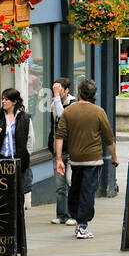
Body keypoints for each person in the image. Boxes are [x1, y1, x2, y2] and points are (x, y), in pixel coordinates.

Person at [55, 78, 119, 239]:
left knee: (75, 191)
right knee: (87, 192)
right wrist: (114, 157)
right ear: (93, 94)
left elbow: (59, 136)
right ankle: (82, 225)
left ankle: (78, 221)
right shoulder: (99, 112)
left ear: (79, 92)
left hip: (75, 160)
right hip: (93, 160)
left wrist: (58, 159)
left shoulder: (69, 111)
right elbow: (109, 138)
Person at [0, 88, 31, 256]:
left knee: (17, 196)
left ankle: (15, 229)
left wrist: (25, 156)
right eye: (2, 99)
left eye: (6, 99)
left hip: (16, 162)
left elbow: (30, 140)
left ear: (14, 102)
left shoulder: (24, 118)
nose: (3, 102)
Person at [48, 77, 74, 224]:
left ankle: (72, 215)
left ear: (66, 90)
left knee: (70, 182)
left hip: (70, 149)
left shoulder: (73, 103)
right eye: (54, 89)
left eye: (59, 89)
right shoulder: (54, 103)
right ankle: (61, 215)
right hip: (57, 150)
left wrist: (57, 97)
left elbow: (62, 117)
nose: (56, 92)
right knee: (59, 186)